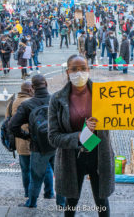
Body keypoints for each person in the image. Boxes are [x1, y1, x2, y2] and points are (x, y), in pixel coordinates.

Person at [48, 55, 115, 216]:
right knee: (71, 201)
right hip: (72, 158)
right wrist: (79, 136)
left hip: (99, 155)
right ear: (67, 72)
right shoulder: (57, 99)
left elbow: (132, 107)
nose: (79, 73)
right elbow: (53, 137)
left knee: (102, 201)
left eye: (83, 68)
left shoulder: (104, 93)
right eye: (74, 69)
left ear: (89, 70)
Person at [10, 75, 64, 208]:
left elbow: (12, 126)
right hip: (57, 145)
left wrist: (27, 136)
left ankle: (31, 203)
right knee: (60, 177)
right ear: (46, 83)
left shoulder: (27, 105)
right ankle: (62, 204)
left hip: (38, 148)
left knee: (36, 178)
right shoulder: (56, 99)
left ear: (32, 88)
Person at [6, 82, 55, 199]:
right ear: (30, 90)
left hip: (21, 145)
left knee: (25, 170)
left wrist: (23, 135)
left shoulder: (12, 103)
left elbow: (8, 123)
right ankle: (49, 193)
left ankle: (28, 195)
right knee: (46, 168)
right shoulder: (32, 103)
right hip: (38, 144)